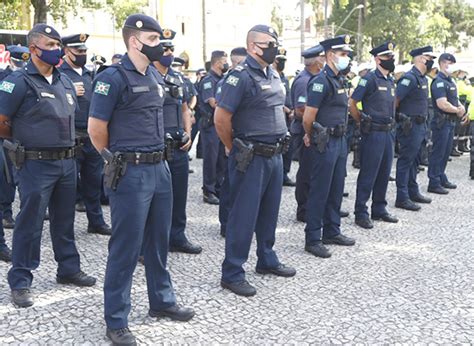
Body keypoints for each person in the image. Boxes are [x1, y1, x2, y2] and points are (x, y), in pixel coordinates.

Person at [87, 14, 194, 345]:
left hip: (160, 167)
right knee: (126, 246)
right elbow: (95, 130)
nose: (160, 45)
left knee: (158, 241)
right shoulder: (113, 78)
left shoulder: (154, 75)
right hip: (130, 171)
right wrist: (116, 159)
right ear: (135, 41)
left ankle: (161, 301)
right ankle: (116, 318)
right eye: (152, 39)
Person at [0, 23, 96, 308]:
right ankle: (20, 279)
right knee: (29, 224)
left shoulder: (64, 81)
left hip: (67, 162)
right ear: (33, 49)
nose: (57, 50)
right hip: (35, 164)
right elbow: (2, 123)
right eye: (51, 46)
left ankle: (68, 268)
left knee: (64, 221)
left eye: (58, 45)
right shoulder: (17, 82)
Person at [215, 25, 296, 297]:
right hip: (250, 157)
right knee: (243, 215)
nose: (273, 47)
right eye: (267, 43)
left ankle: (266, 258)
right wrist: (232, 147)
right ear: (252, 47)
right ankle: (233, 271)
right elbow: (221, 118)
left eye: (275, 42)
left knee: (269, 212)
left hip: (274, 155)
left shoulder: (273, 73)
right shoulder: (239, 76)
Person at [302, 35, 356, 259]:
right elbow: (308, 116)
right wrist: (310, 135)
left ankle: (332, 230)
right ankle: (313, 237)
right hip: (324, 141)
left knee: (336, 188)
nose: (346, 58)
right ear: (330, 55)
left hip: (340, 140)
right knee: (320, 189)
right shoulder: (320, 81)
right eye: (343, 54)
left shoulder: (340, 80)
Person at [151, 28, 201, 254]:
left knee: (179, 196)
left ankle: (177, 237)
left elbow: (184, 109)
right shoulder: (146, 75)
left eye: (171, 48)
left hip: (177, 146)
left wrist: (188, 133)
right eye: (165, 48)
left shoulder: (177, 78)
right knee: (153, 200)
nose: (169, 52)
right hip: (155, 146)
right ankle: (149, 244)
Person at [59, 33, 112, 236]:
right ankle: (65, 227)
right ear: (67, 52)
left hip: (90, 137)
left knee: (93, 183)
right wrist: (69, 91)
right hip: (70, 137)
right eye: (78, 51)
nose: (82, 54)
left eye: (84, 51)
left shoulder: (91, 75)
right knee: (67, 186)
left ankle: (96, 221)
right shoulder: (59, 75)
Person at [349, 42, 399, 229]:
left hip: (388, 132)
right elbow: (353, 102)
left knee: (384, 172)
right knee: (369, 172)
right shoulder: (368, 79)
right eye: (388, 57)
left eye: (392, 57)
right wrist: (360, 120)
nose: (391, 60)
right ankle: (361, 212)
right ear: (378, 59)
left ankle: (379, 208)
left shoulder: (390, 80)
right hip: (374, 132)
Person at [395, 46, 436, 211]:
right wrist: (398, 119)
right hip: (409, 126)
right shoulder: (409, 78)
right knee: (406, 160)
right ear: (420, 58)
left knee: (416, 160)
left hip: (421, 125)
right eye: (429, 57)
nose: (431, 60)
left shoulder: (423, 78)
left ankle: (413, 191)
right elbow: (396, 100)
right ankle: (402, 197)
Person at [291, 44, 325, 222]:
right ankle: (303, 209)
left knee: (314, 171)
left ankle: (314, 206)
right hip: (305, 130)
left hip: (314, 129)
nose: (325, 60)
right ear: (316, 61)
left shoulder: (316, 78)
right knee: (306, 172)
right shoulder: (304, 80)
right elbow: (300, 110)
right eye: (322, 57)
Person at [216, 46, 247, 238]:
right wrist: (229, 144)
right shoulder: (229, 80)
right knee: (229, 183)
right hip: (231, 136)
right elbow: (222, 112)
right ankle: (226, 223)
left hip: (245, 139)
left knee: (242, 184)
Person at [0, 45, 30, 229]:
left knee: (24, 175)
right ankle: (6, 212)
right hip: (7, 134)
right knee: (8, 175)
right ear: (10, 59)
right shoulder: (5, 78)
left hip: (24, 134)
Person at [427, 53, 466, 194]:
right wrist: (457, 110)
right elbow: (442, 103)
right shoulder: (439, 81)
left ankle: (441, 176)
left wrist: (460, 107)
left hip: (450, 122)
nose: (452, 66)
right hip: (441, 122)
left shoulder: (450, 81)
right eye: (450, 63)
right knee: (438, 152)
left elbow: (455, 99)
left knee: (445, 152)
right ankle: (434, 181)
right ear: (443, 63)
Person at [198, 50, 229, 205]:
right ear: (217, 63)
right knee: (211, 158)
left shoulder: (222, 79)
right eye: (225, 61)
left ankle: (218, 187)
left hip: (220, 124)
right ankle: (208, 190)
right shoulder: (208, 80)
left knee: (221, 158)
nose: (226, 64)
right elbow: (213, 103)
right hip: (210, 125)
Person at [273, 48, 295, 186]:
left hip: (288, 117)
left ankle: (284, 174)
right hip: (278, 116)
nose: (281, 63)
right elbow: (273, 99)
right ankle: (277, 175)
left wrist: (292, 109)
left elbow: (289, 96)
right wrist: (287, 110)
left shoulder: (284, 78)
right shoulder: (271, 76)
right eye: (279, 60)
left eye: (283, 60)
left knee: (288, 148)